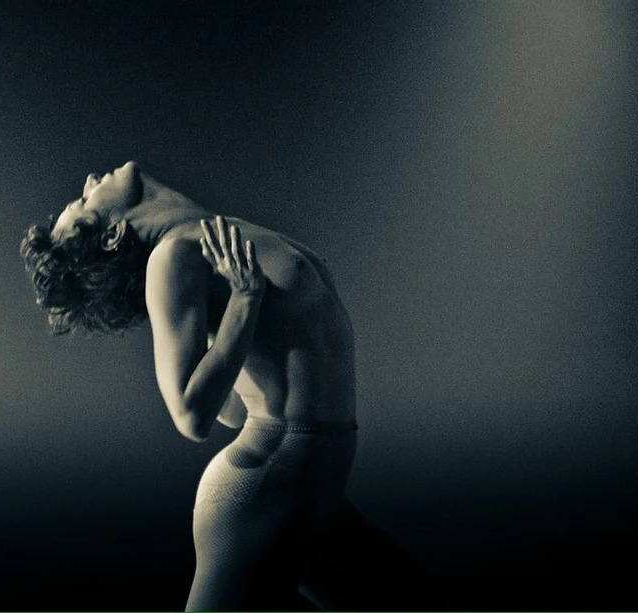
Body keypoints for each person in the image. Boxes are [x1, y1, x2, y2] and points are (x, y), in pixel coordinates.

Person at [21, 161, 432, 611]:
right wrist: (245, 300)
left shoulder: (210, 237)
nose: (88, 182)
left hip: (312, 492)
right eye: (84, 202)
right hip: (264, 491)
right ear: (112, 235)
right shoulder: (171, 256)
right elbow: (190, 416)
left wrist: (233, 323)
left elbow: (231, 410)